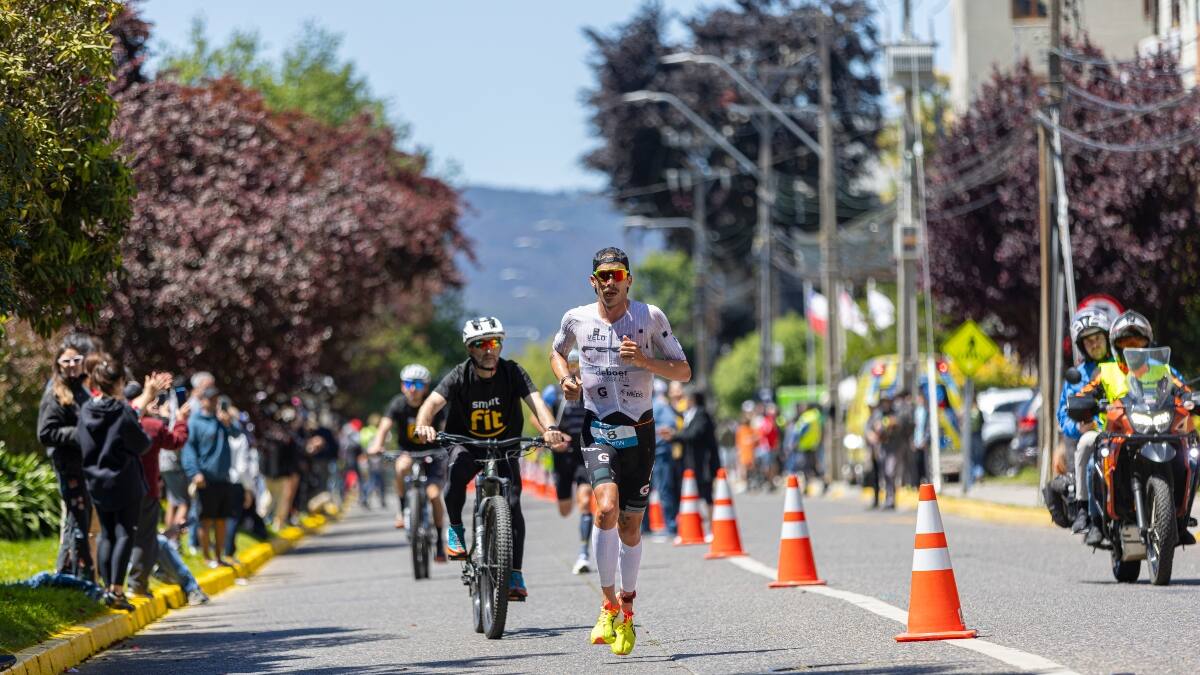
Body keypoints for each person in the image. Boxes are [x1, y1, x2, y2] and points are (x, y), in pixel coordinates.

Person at [550, 246, 691, 656]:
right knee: (605, 509)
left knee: (631, 527)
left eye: (616, 275)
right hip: (597, 427)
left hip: (640, 432)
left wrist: (646, 360)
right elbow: (557, 353)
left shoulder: (650, 317)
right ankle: (607, 602)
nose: (609, 283)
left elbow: (683, 369)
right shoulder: (576, 318)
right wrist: (566, 382)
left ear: (628, 279)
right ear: (592, 281)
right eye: (602, 277)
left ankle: (628, 606)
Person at [414, 317, 568, 601]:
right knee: (456, 474)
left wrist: (550, 429)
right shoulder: (459, 375)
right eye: (481, 344)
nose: (489, 349)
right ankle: (457, 529)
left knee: (512, 504)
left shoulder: (513, 372)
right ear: (470, 349)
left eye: (495, 342)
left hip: (505, 445)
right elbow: (430, 405)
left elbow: (536, 402)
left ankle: (515, 573)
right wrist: (424, 424)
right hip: (467, 444)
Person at [1074, 310, 1194, 546]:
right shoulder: (1106, 371)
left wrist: (1191, 398)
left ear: (1148, 344)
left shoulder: (1163, 370)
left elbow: (1182, 390)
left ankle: (1180, 518)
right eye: (1126, 343)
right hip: (1118, 431)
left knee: (1188, 453)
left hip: (1156, 425)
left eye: (1137, 342)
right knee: (1091, 452)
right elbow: (1085, 393)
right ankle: (1093, 518)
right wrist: (1084, 403)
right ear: (1117, 346)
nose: (1133, 348)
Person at [76, 353, 158, 610]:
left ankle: (106, 587)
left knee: (106, 534)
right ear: (120, 382)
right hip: (124, 480)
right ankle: (117, 590)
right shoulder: (122, 412)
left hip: (96, 480)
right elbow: (142, 443)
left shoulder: (87, 409)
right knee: (124, 533)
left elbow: (80, 441)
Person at [368, 363, 449, 561]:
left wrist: (449, 446)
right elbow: (385, 426)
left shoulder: (433, 404)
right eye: (409, 384)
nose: (413, 389)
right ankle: (403, 508)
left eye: (418, 385)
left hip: (433, 453)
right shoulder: (398, 404)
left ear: (426, 387)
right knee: (401, 466)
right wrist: (377, 445)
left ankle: (439, 542)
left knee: (434, 495)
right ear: (403, 386)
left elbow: (447, 428)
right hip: (408, 452)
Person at [37, 333, 97, 582]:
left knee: (80, 521)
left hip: (86, 468)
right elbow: (45, 432)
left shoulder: (82, 391)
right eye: (66, 361)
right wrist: (78, 434)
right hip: (69, 468)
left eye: (76, 360)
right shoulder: (55, 393)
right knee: (76, 522)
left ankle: (73, 575)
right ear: (58, 364)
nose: (71, 366)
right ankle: (75, 576)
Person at [531, 348, 595, 574]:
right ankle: (574, 501)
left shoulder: (589, 388)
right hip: (562, 454)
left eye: (578, 363)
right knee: (566, 509)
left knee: (586, 501)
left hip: (585, 450)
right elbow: (535, 414)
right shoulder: (554, 392)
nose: (574, 368)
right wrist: (551, 436)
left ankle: (584, 553)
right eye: (571, 364)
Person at [125, 377, 190, 598]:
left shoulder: (118, 423)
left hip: (119, 490)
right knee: (145, 539)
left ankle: (116, 584)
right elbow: (176, 440)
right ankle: (137, 584)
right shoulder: (152, 426)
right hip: (148, 490)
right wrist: (181, 419)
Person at [1056, 308, 1113, 545]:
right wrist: (1078, 428)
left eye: (1098, 338)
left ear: (1107, 338)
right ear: (1082, 346)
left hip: (1128, 430)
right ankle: (1092, 517)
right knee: (1092, 464)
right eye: (1088, 341)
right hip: (1095, 436)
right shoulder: (1078, 378)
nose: (1094, 344)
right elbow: (1064, 414)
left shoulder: (1123, 366)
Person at [182, 386, 243, 567]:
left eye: (216, 399)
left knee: (222, 519)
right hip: (205, 478)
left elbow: (237, 434)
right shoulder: (195, 422)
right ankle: (207, 557)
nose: (213, 402)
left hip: (223, 478)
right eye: (210, 399)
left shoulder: (221, 420)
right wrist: (195, 473)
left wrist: (228, 423)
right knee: (206, 520)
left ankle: (219, 557)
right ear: (202, 401)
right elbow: (189, 449)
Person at [650, 380, 678, 534]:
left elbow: (669, 425)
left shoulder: (659, 404)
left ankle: (671, 525)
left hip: (659, 454)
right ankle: (644, 526)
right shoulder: (642, 404)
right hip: (647, 453)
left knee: (664, 489)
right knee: (643, 491)